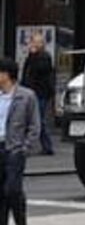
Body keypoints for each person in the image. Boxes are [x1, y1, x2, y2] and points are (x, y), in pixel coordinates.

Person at [0, 57, 42, 225]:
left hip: (14, 149)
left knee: (12, 190)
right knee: (1, 193)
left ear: (6, 75)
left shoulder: (26, 96)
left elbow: (35, 126)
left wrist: (25, 148)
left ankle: (20, 220)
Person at [19, 38, 53, 156]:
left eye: (35, 42)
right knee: (28, 119)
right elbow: (26, 72)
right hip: (31, 91)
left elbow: (40, 70)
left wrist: (33, 56)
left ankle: (47, 146)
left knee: (39, 120)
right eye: (31, 42)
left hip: (40, 92)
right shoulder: (31, 57)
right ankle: (31, 144)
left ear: (41, 44)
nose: (31, 44)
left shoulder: (44, 57)